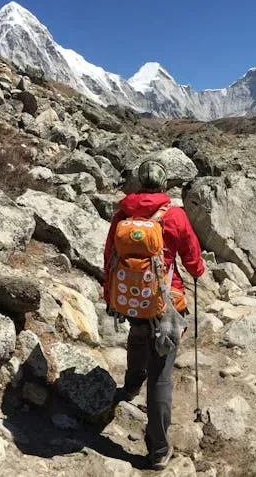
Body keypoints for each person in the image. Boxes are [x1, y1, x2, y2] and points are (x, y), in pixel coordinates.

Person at [102, 160, 205, 470]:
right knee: (161, 374)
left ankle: (132, 386)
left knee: (137, 334)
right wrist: (198, 272)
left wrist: (111, 296)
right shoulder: (174, 216)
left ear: (138, 185)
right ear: (163, 186)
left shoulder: (123, 213)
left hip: (132, 298)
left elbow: (109, 257)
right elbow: (192, 257)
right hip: (165, 303)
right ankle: (158, 449)